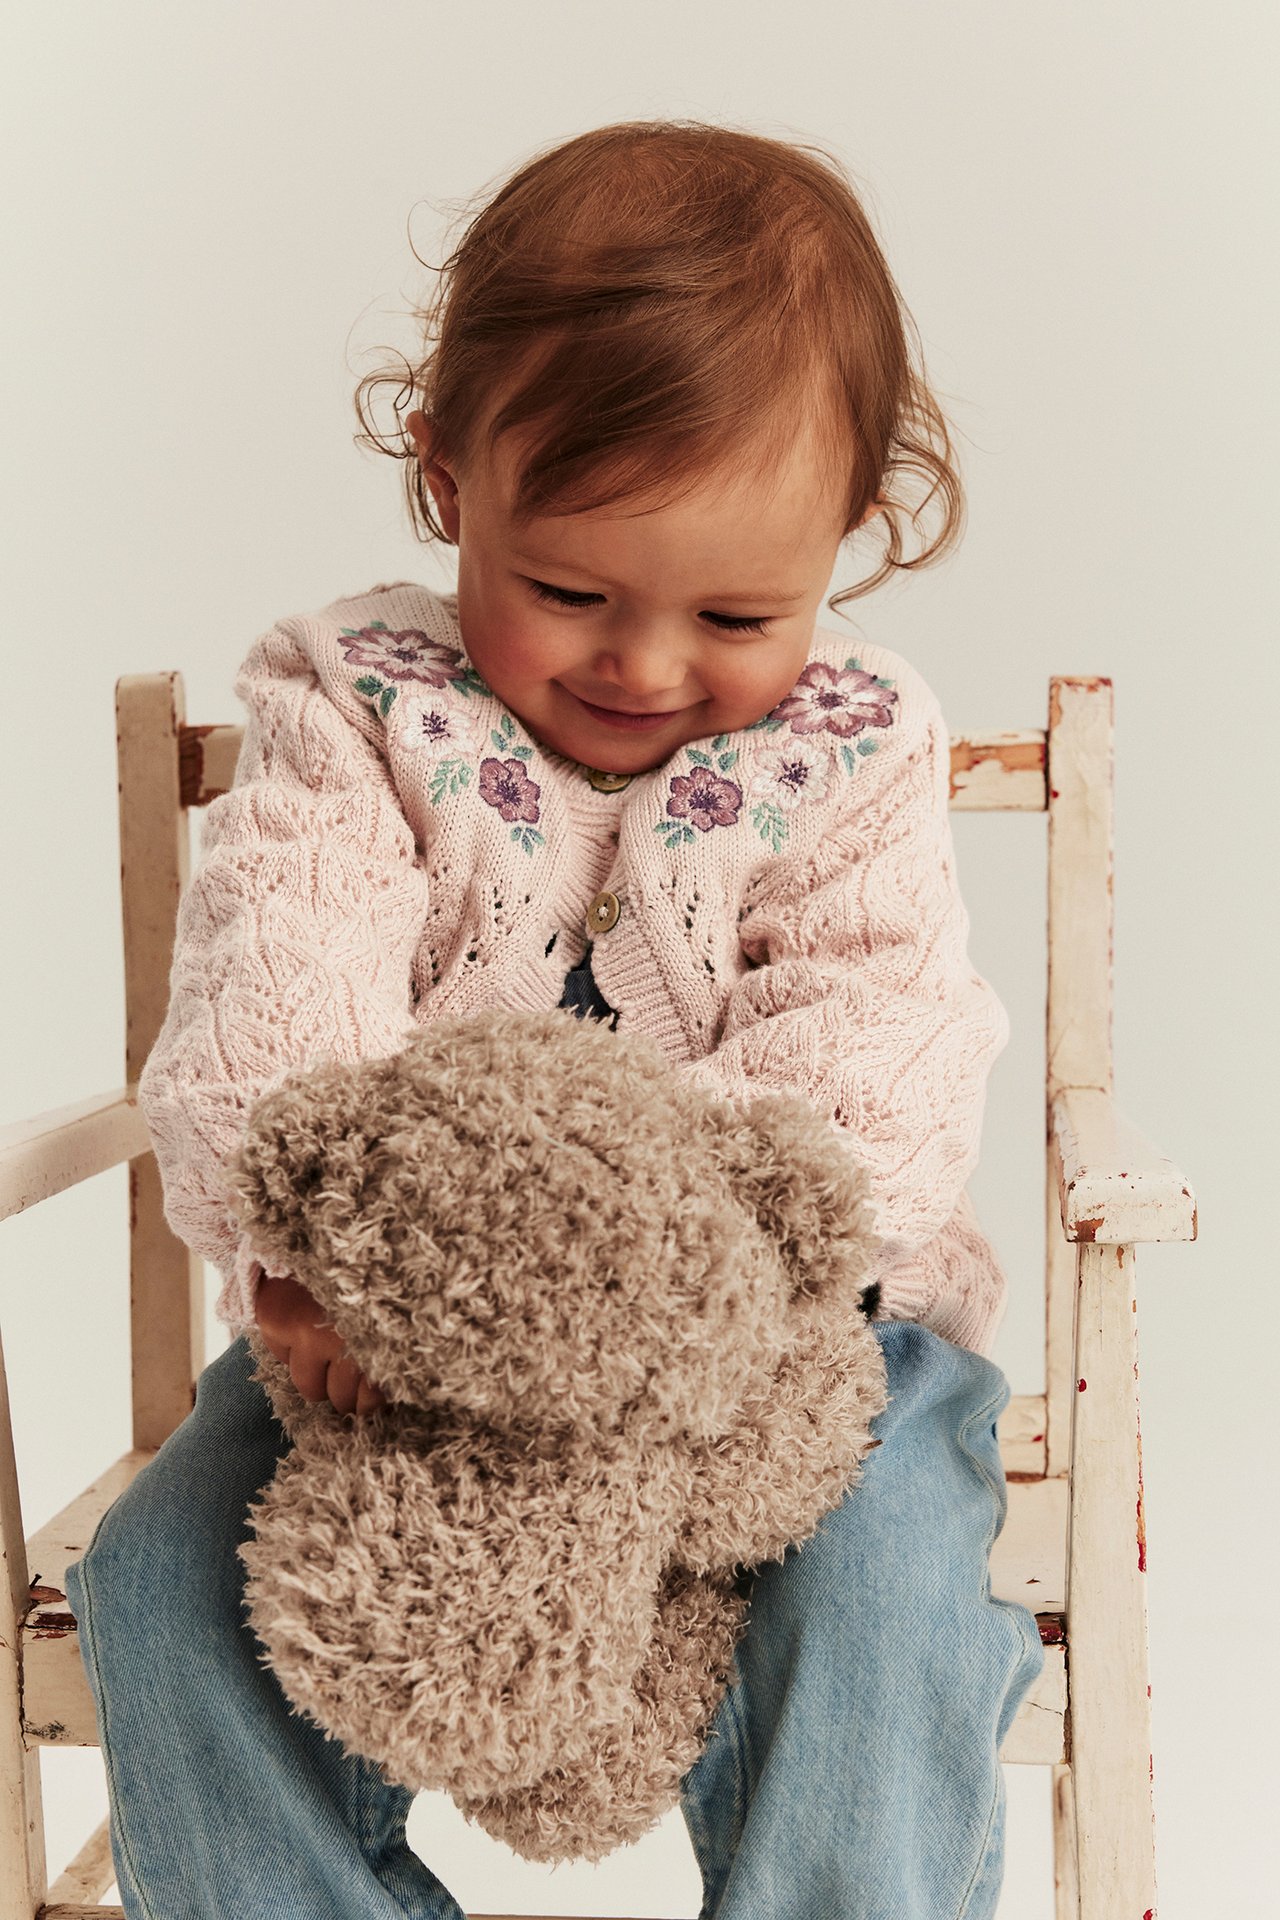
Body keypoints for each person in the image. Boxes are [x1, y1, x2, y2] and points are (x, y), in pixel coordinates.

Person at [64, 119, 1045, 1920]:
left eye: (738, 610)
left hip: (806, 1355)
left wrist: (705, 1299)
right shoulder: (358, 703)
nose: (647, 665)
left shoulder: (849, 748)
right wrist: (308, 1256)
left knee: (891, 1590)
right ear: (450, 482)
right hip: (395, 1346)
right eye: (570, 592)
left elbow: (882, 1048)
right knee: (158, 1586)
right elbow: (279, 973)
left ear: (857, 533)